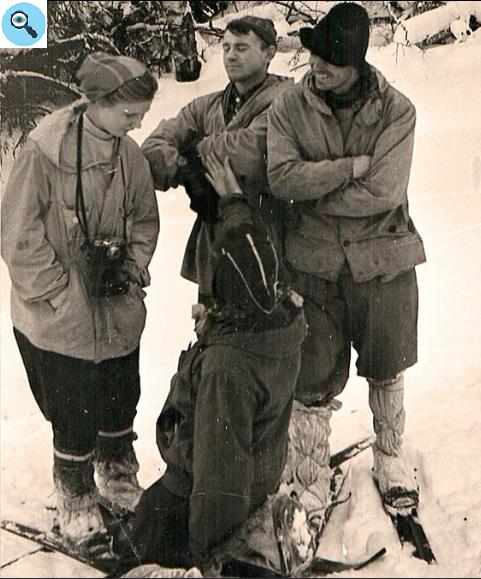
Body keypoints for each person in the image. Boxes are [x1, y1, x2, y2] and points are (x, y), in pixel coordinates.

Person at [267, 2, 427, 517]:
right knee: (310, 377)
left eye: (331, 61)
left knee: (387, 362)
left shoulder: (397, 110)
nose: (317, 67)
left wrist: (317, 193)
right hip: (312, 263)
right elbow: (282, 178)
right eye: (314, 56)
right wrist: (348, 168)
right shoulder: (289, 108)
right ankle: (310, 476)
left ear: (357, 63)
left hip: (384, 258)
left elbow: (384, 189)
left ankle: (391, 457)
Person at [115, 154, 308, 577]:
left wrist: (209, 558)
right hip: (259, 472)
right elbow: (248, 242)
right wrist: (234, 202)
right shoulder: (279, 314)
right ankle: (254, 529)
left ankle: (226, 554)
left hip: (201, 488)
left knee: (136, 542)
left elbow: (220, 474)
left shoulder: (228, 367)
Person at [1, 53, 160, 550]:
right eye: (130, 113)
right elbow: (18, 232)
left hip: (115, 307)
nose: (139, 124)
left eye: (142, 114)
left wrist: (131, 268)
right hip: (60, 313)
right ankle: (74, 497)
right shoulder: (45, 151)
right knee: (72, 409)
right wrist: (57, 291)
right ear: (99, 102)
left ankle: (116, 475)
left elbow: (144, 219)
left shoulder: (127, 154)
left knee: (119, 392)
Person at [140, 15, 294, 302]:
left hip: (269, 235)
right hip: (215, 239)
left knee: (267, 328)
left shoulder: (286, 102)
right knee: (214, 329)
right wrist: (187, 172)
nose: (231, 56)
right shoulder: (207, 106)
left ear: (268, 54)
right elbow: (151, 148)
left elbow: (248, 153)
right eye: (226, 47)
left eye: (241, 48)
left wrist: (192, 149)